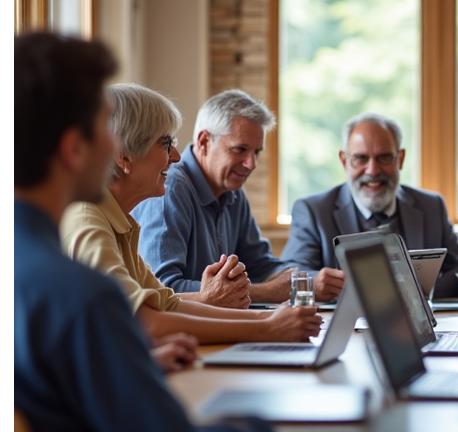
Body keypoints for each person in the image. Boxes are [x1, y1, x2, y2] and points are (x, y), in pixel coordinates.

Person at [15, 31, 270, 432]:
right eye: (105, 127)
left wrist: (129, 363)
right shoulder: (84, 294)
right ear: (74, 148)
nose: (175, 156)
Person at [61, 83, 321, 344]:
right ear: (123, 157)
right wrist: (267, 328)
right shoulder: (88, 220)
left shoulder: (118, 220)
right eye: (166, 143)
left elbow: (168, 303)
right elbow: (143, 322)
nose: (176, 156)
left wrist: (269, 319)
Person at [132, 90, 341, 302]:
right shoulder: (169, 189)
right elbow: (162, 289)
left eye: (256, 152)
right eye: (240, 149)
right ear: (204, 142)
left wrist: (309, 280)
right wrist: (267, 292)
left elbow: (261, 265)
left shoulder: (233, 191)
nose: (251, 164)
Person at [281, 112, 458, 298]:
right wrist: (317, 283)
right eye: (361, 159)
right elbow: (291, 274)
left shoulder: (430, 207)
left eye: (384, 158)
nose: (372, 170)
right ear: (344, 161)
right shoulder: (313, 211)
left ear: (401, 159)